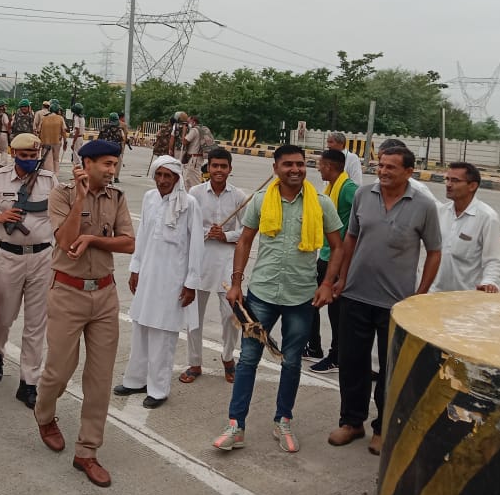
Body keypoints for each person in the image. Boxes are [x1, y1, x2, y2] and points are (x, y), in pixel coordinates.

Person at [213, 145, 342, 455]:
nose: (295, 169)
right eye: (288, 164)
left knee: (292, 361)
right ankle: (236, 426)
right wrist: (236, 284)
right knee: (247, 360)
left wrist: (327, 283)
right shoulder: (261, 200)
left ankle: (282, 420)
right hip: (262, 295)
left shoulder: (321, 203)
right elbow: (244, 241)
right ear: (276, 168)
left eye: (300, 164)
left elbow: (338, 247)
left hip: (301, 297)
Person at [325, 146, 442, 456]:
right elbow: (350, 240)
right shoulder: (364, 195)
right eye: (381, 165)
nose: (384, 171)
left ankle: (382, 428)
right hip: (355, 295)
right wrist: (340, 279)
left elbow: (434, 251)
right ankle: (352, 422)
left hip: (397, 305)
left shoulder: (424, 206)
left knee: (391, 369)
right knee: (352, 363)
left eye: (392, 167)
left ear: (408, 172)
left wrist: (421, 293)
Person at [34, 140, 135, 488]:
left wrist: (94, 242)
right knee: (59, 371)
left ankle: (87, 451)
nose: (112, 170)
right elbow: (65, 241)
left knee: (100, 378)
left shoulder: (117, 198)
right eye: (106, 164)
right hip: (67, 293)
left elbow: (128, 243)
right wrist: (79, 199)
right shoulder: (61, 195)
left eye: (115, 164)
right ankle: (44, 413)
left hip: (105, 294)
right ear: (86, 163)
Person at [0, 133, 58, 408]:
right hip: (10, 257)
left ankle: (28, 382)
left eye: (34, 156)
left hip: (43, 257)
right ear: (13, 153)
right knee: (3, 317)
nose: (30, 160)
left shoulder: (49, 180)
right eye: (25, 156)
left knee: (36, 323)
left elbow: (62, 212)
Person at [114, 155, 202, 408]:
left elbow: (196, 245)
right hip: (148, 275)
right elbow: (141, 236)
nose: (163, 181)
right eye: (159, 175)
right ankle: (135, 380)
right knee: (141, 327)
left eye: (168, 176)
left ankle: (158, 389)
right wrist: (135, 268)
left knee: (163, 335)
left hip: (173, 279)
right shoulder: (149, 198)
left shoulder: (190, 204)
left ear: (177, 178)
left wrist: (191, 283)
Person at [182, 148, 246, 384]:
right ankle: (194, 362)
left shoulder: (239, 196)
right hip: (199, 261)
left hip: (227, 264)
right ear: (208, 167)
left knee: (231, 315)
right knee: (193, 317)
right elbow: (186, 227)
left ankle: (228, 358)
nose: (219, 170)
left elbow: (247, 233)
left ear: (230, 169)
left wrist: (226, 236)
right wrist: (206, 232)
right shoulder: (195, 193)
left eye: (224, 166)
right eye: (215, 166)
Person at [305, 148, 358, 374]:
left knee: (335, 312)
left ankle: (336, 355)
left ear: (329, 166)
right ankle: (314, 346)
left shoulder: (348, 189)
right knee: (311, 301)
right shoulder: (330, 188)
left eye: (320, 165)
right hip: (325, 255)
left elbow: (362, 215)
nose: (318, 169)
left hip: (337, 258)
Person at [430, 162, 500, 293]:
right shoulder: (441, 212)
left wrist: (489, 282)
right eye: (447, 179)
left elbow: (492, 259)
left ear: (472, 186)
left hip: (466, 298)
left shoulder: (487, 217)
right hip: (434, 294)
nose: (448, 185)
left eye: (455, 180)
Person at [38, 102, 67, 174]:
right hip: (56, 142)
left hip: (45, 142)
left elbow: (39, 130)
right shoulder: (60, 118)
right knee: (56, 159)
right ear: (57, 110)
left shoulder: (44, 118)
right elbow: (64, 130)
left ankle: (46, 174)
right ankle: (55, 174)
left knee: (46, 159)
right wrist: (65, 142)